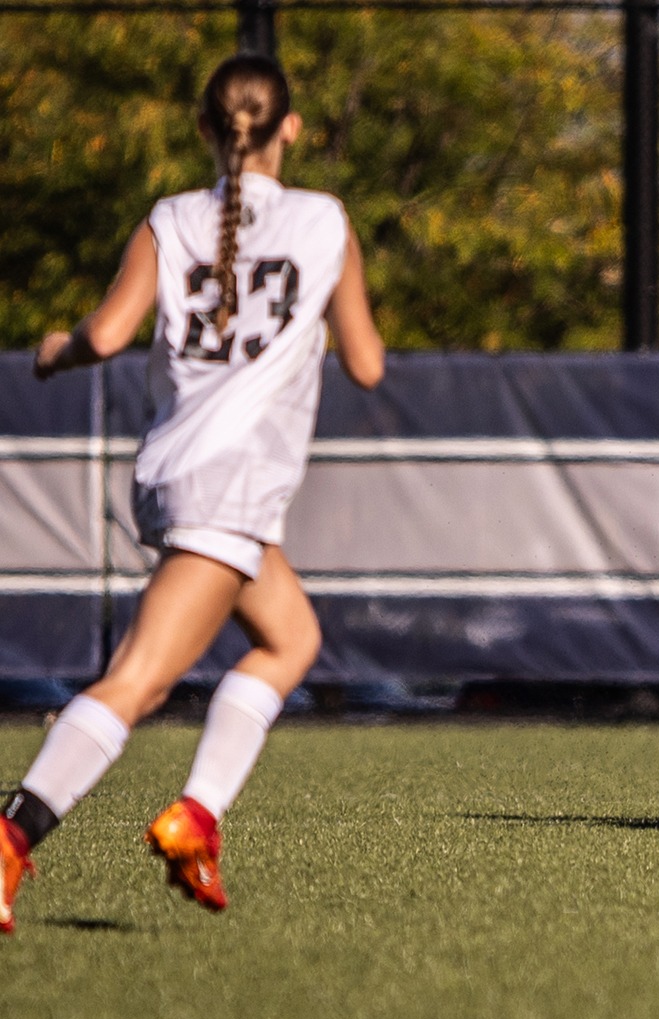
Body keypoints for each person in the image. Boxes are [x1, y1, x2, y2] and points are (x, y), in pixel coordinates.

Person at [1, 54, 384, 933]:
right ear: (291, 129)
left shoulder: (168, 219)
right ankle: (11, 837)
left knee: (290, 638)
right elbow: (367, 364)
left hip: (182, 473)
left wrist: (57, 350)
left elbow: (106, 334)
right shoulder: (325, 221)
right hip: (232, 484)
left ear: (206, 129)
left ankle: (197, 817)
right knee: (136, 682)